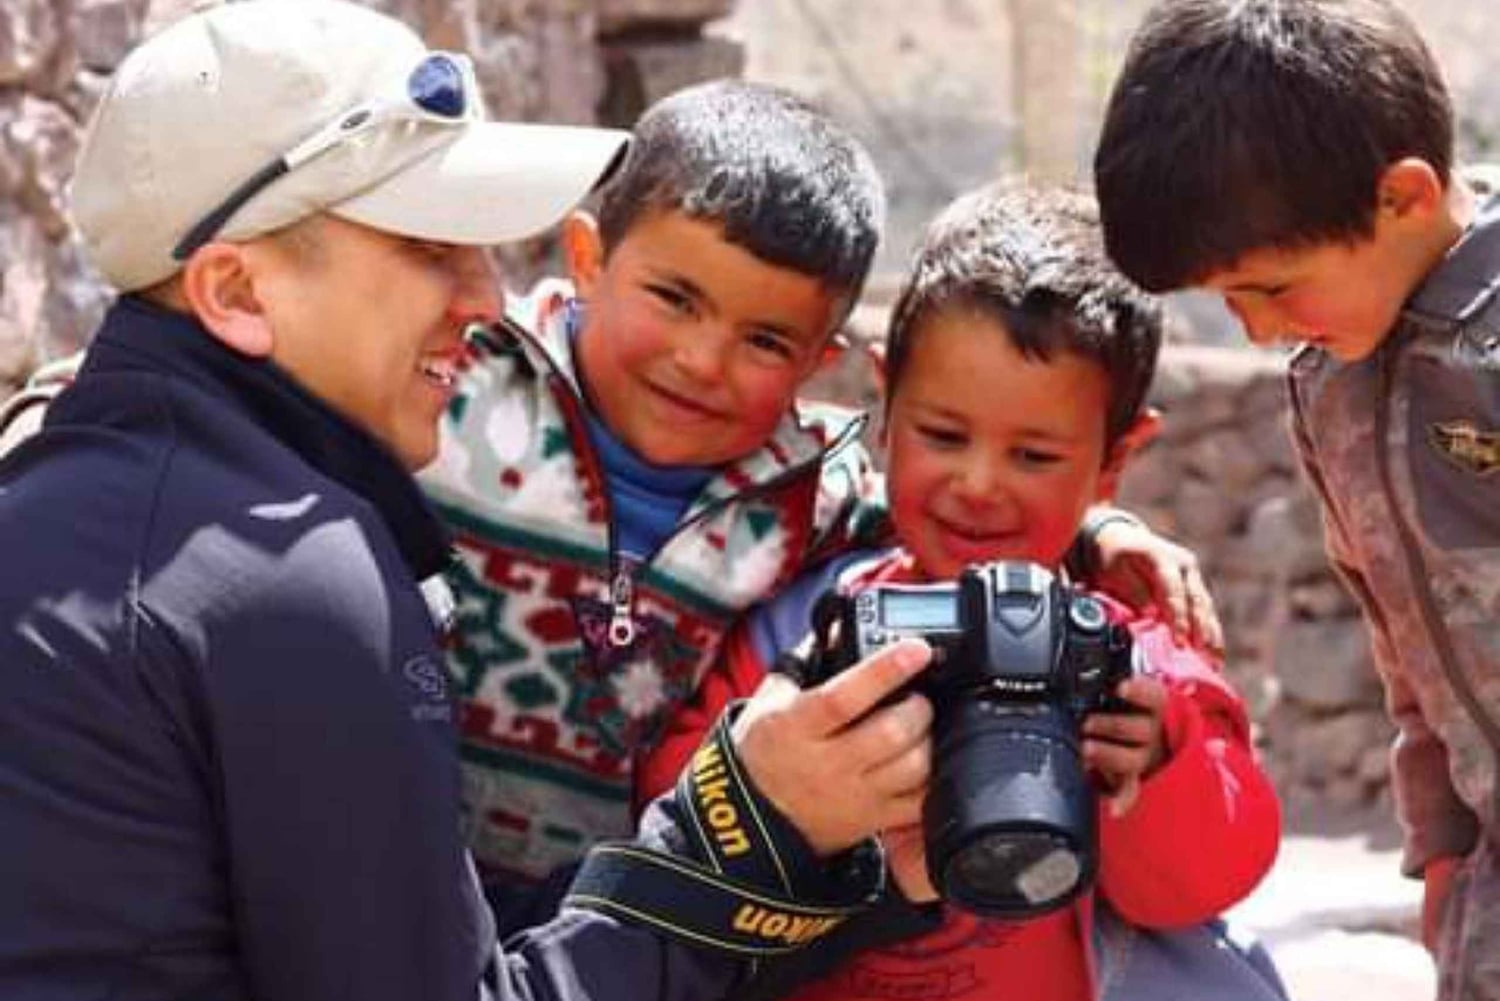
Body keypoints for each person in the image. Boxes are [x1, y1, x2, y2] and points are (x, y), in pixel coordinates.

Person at [0, 2, 939, 997]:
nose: (486, 299)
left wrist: (818, 860)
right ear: (234, 292)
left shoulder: (86, 503)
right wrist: (752, 825)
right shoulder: (283, 570)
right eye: (430, 248)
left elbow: (435, 945)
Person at [418, 79, 1225, 932]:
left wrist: (1096, 528)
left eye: (765, 340)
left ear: (818, 361)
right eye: (675, 298)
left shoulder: (812, 492)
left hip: (617, 924)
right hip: (408, 878)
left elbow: (950, 509)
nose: (703, 359)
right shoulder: (454, 391)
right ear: (587, 257)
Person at [636, 181, 1284, 1001]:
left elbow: (1206, 880)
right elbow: (670, 804)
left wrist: (1160, 767)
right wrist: (796, 770)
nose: (978, 485)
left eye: (1034, 456)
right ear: (885, 404)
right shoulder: (817, 625)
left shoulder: (1127, 660)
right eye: (942, 435)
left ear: (1116, 459)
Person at [1091, 1, 1500, 996]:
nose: (1256, 331)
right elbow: (1409, 646)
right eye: (1227, 301)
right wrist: (1443, 851)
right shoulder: (1331, 383)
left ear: (1403, 197)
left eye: (1272, 288)